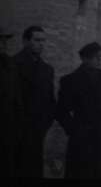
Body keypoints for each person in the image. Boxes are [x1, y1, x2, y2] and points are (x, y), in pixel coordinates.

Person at [56, 42, 101, 178]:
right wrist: (74, 131)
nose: (100, 60)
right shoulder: (70, 80)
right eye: (97, 57)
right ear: (85, 59)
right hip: (82, 140)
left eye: (100, 57)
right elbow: (61, 111)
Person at [14, 25, 56, 178]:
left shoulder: (47, 70)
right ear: (25, 41)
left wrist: (43, 125)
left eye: (43, 40)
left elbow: (50, 101)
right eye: (37, 40)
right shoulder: (12, 65)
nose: (41, 44)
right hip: (14, 133)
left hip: (37, 132)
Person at [0, 26, 23, 178]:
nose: (4, 44)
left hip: (8, 127)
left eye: (5, 40)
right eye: (0, 40)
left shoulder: (11, 65)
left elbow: (17, 98)